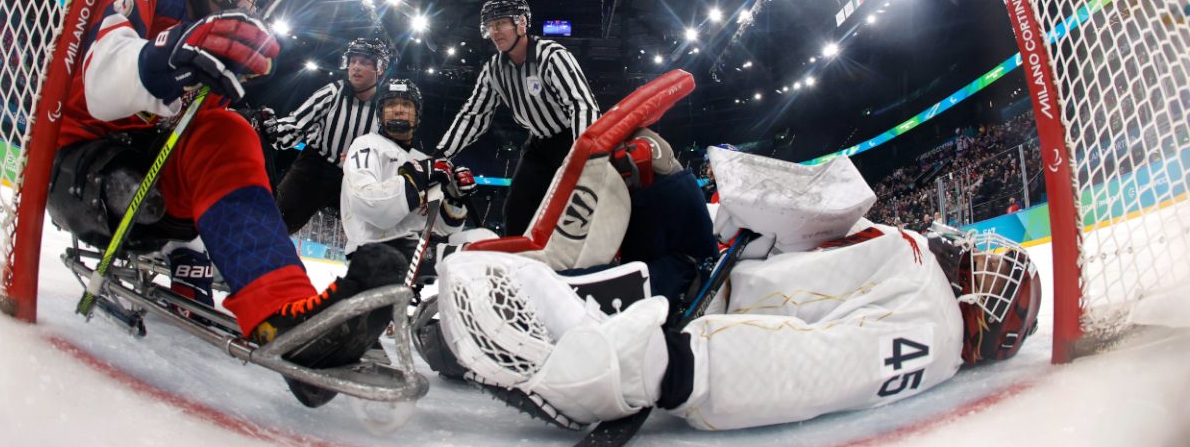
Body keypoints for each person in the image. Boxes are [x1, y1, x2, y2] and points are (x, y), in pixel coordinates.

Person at [46, 0, 404, 406]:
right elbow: (98, 81)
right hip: (87, 163)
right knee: (151, 176)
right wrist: (174, 53)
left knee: (230, 131)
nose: (252, 3)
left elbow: (195, 143)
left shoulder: (214, 40)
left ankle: (284, 317)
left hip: (150, 176)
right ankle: (202, 261)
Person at [436, 219, 1042, 431]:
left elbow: (827, 365)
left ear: (989, 308)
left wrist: (685, 371)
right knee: (525, 274)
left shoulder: (934, 333)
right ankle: (471, 315)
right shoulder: (924, 280)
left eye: (985, 266)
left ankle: (489, 346)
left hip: (696, 328)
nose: (969, 253)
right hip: (715, 286)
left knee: (555, 311)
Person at [434, 0, 599, 237]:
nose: (494, 32)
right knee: (516, 210)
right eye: (490, 26)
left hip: (571, 141)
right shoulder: (493, 69)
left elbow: (582, 105)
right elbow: (474, 115)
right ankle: (517, 267)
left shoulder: (552, 56)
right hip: (538, 145)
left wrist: (585, 157)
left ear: (521, 23)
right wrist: (441, 154)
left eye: (500, 23)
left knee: (579, 210)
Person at [341, 78, 475, 287]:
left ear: (417, 114)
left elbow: (441, 228)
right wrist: (416, 178)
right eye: (391, 104)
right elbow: (368, 205)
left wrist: (454, 196)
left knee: (485, 242)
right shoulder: (366, 145)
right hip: (376, 250)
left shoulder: (423, 160)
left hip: (417, 248)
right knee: (473, 258)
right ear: (380, 112)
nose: (398, 110)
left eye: (406, 105)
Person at [262, 37, 391, 233]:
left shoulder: (386, 108)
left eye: (364, 62)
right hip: (315, 169)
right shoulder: (332, 93)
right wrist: (270, 129)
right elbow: (297, 124)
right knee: (273, 224)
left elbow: (390, 151)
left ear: (379, 69)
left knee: (373, 238)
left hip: (358, 179)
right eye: (353, 61)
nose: (355, 67)